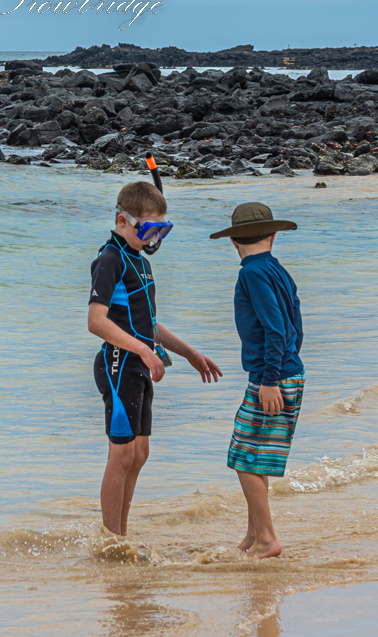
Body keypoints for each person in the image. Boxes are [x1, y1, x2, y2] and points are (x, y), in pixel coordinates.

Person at [87, 182, 222, 537]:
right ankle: (111, 540)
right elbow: (96, 321)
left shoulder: (140, 262)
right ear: (122, 220)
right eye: (148, 229)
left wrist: (189, 352)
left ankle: (121, 534)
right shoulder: (110, 260)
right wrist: (143, 350)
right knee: (122, 455)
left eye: (162, 230)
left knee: (139, 454)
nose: (154, 238)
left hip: (139, 366)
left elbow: (147, 323)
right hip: (119, 364)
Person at [209, 202, 305, 559]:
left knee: (244, 457)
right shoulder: (277, 269)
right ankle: (254, 533)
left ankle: (267, 539)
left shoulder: (250, 273)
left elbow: (275, 329)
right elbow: (295, 326)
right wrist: (282, 369)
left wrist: (269, 380)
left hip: (272, 376)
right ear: (273, 236)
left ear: (233, 240)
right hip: (286, 371)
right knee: (255, 455)